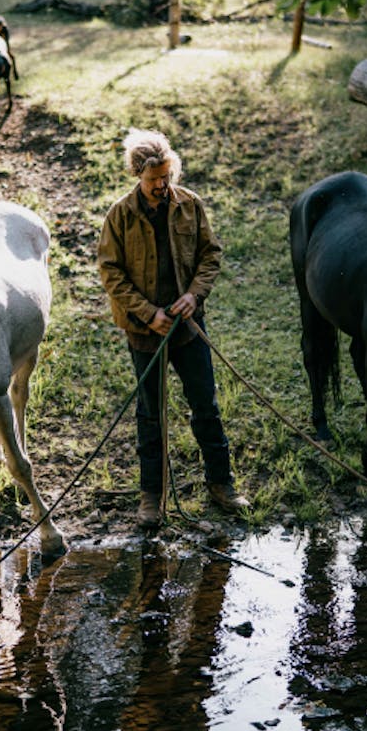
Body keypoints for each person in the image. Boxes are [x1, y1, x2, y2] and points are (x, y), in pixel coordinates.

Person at [98, 128, 250, 529]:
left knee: (206, 406)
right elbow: (110, 273)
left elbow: (209, 255)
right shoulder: (119, 215)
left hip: (188, 328)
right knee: (151, 415)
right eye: (153, 180)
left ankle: (222, 485)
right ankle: (152, 497)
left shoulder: (190, 205)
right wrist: (147, 313)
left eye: (167, 177)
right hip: (144, 333)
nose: (162, 186)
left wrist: (194, 296)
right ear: (137, 175)